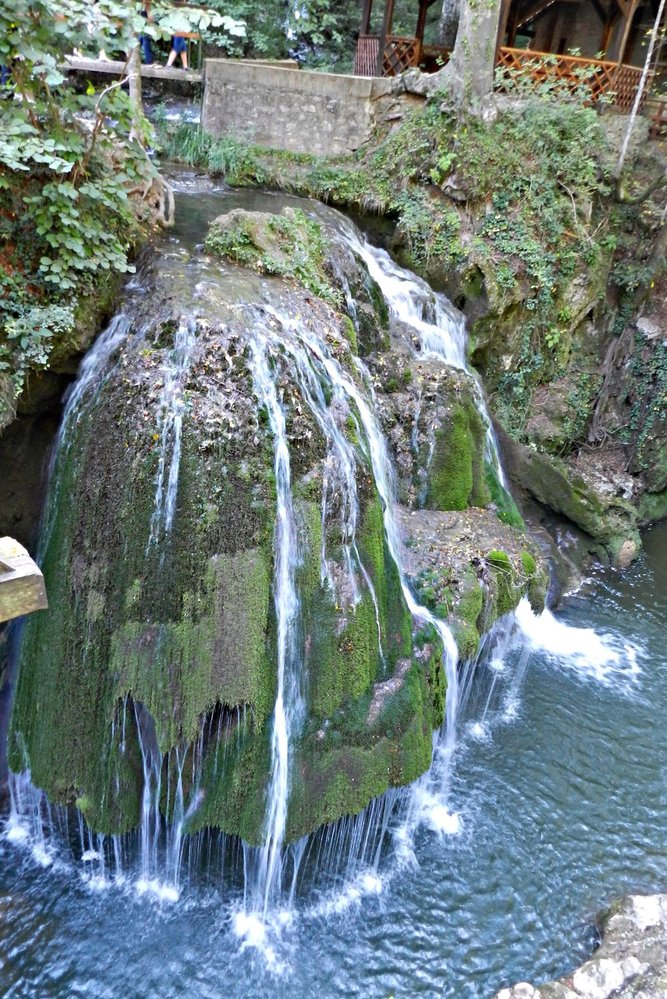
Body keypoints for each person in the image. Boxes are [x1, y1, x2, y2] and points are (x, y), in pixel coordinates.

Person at [139, 0, 154, 64]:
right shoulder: (137, 5)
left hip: (145, 28)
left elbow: (151, 19)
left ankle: (149, 61)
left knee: (145, 42)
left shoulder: (147, 5)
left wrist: (147, 6)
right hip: (139, 28)